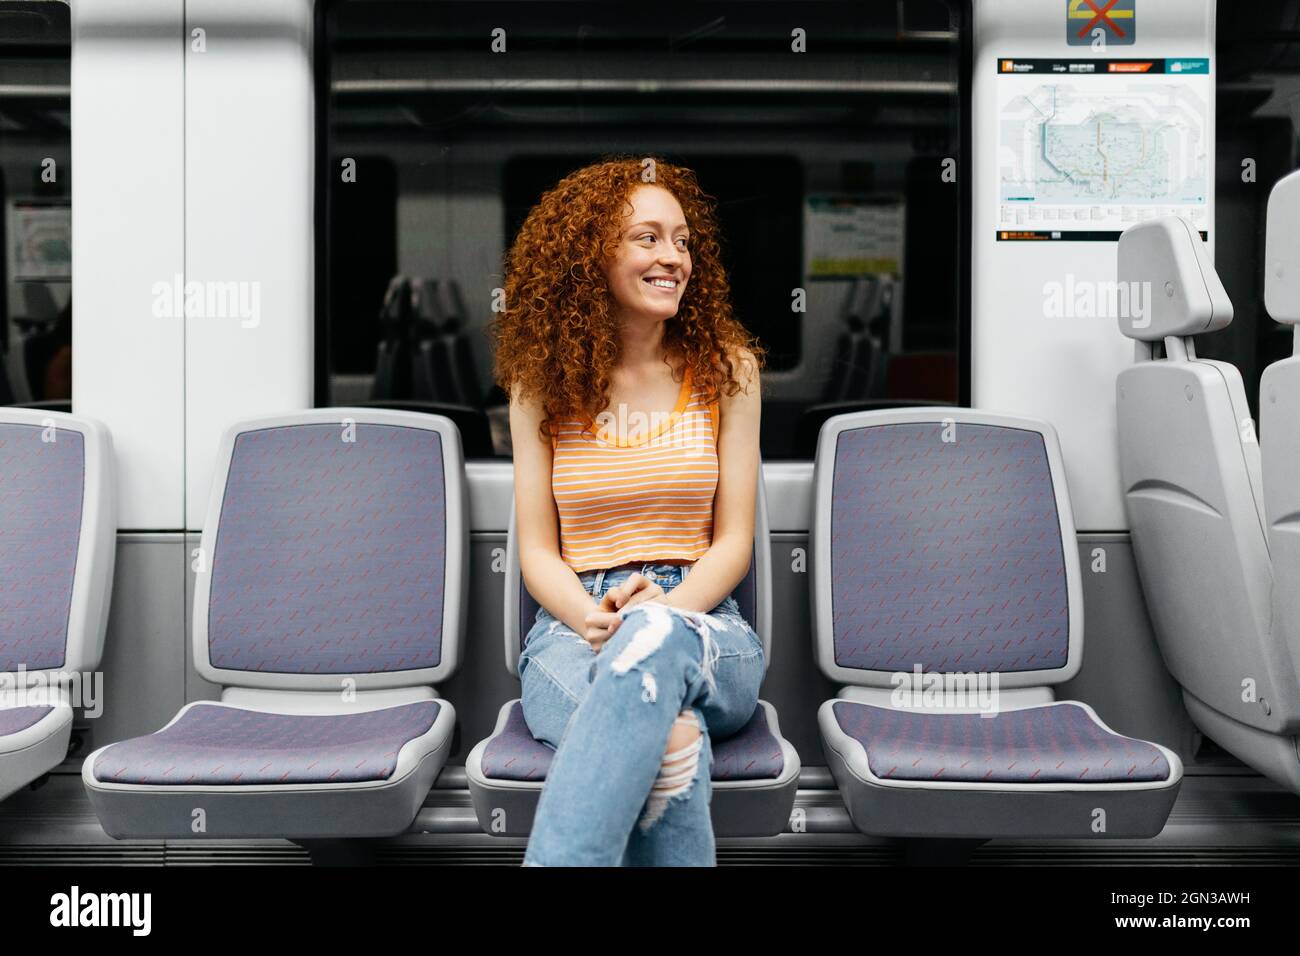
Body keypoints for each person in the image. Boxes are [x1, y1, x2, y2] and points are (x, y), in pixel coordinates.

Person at [489, 155, 767, 866]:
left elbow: (733, 544)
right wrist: (591, 619)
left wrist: (661, 618)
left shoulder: (728, 368)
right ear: (591, 258)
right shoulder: (538, 382)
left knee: (654, 651)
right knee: (668, 736)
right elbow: (538, 554)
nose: (672, 257)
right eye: (648, 238)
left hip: (703, 621)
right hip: (575, 627)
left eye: (681, 241)